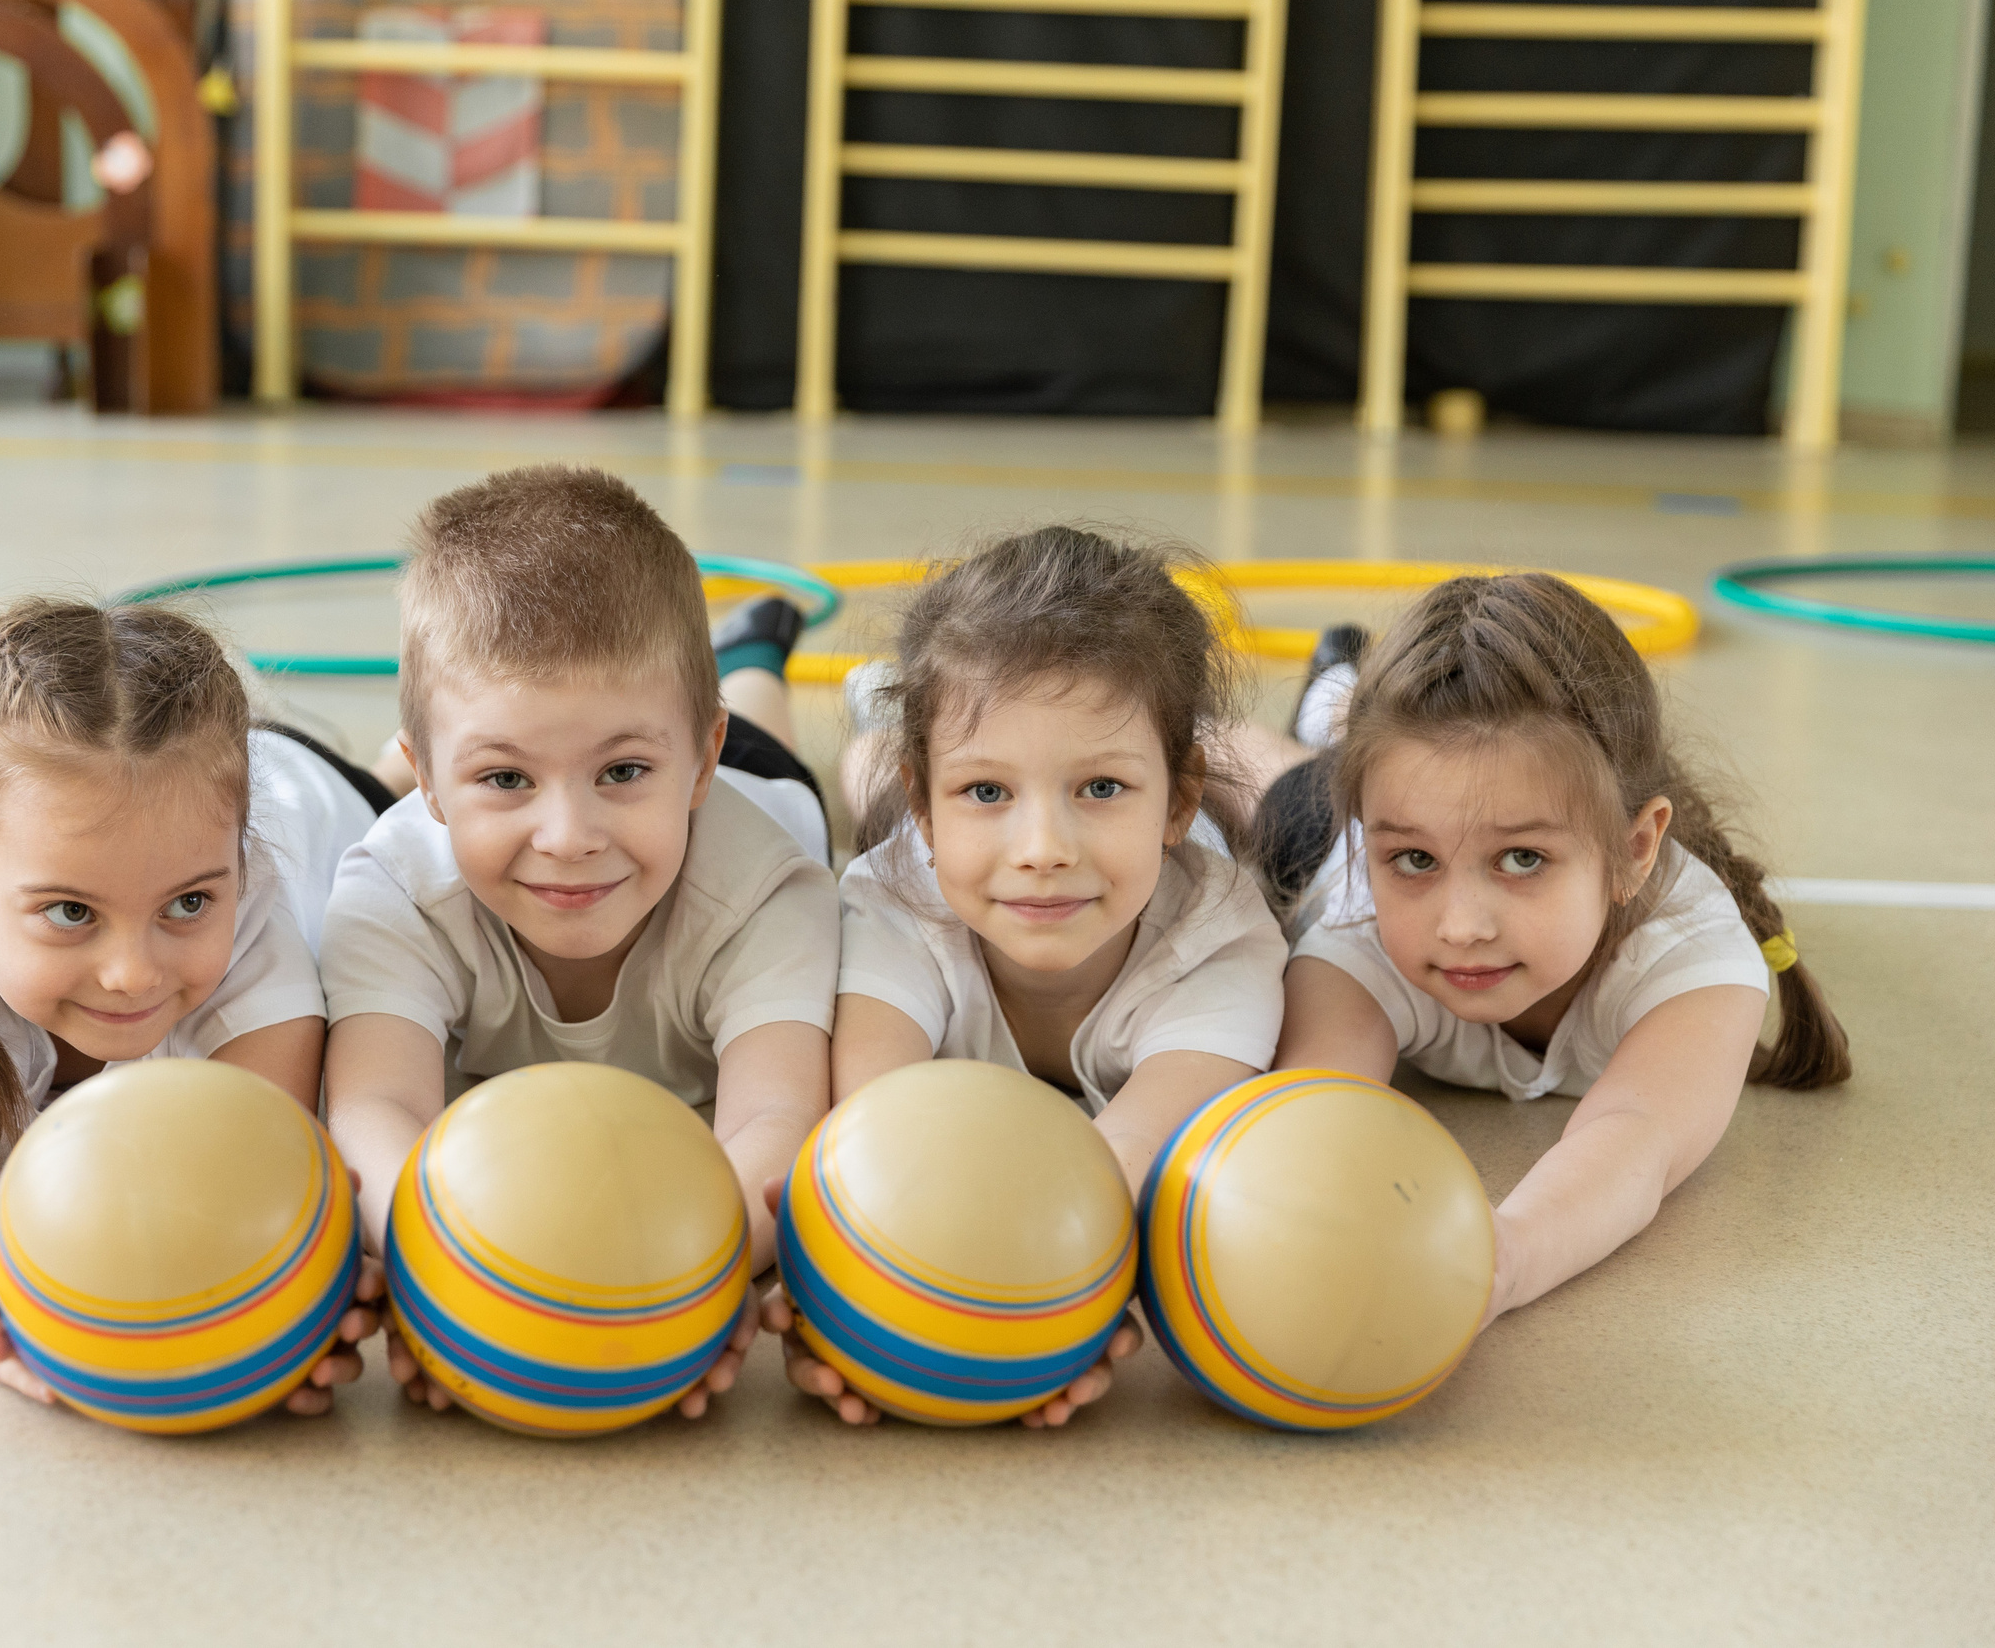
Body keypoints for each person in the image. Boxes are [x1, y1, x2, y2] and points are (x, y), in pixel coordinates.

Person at [320, 464, 838, 1419]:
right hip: (619, 786)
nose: (568, 834)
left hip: (758, 790)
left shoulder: (772, 893)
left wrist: (679, 1278)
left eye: (621, 769)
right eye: (505, 779)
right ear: (429, 787)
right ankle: (489, 746)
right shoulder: (390, 885)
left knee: (771, 731)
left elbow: (776, 1126)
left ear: (695, 759)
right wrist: (453, 1277)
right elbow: (372, 1108)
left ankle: (756, 649)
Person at [0, 598, 391, 1409]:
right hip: (217, 791)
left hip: (319, 793)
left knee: (383, 794)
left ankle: (393, 768)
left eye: (188, 904)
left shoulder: (263, 927)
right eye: (71, 911)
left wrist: (283, 1310)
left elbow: (246, 1165)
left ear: (234, 869)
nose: (131, 972)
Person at [786, 525, 1289, 1427]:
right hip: (912, 835)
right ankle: (852, 714)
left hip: (1210, 841)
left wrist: (1035, 1314)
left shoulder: (1226, 944)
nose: (1044, 851)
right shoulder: (888, 901)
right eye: (985, 791)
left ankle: (1325, 703)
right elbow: (878, 1140)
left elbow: (1120, 1167)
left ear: (1174, 797)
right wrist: (854, 1304)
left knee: (1293, 799)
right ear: (931, 805)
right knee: (863, 790)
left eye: (1100, 787)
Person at [1264, 572, 1849, 1327]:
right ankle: (1331, 698)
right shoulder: (1354, 920)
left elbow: (1632, 1142)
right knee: (1273, 783)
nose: (1461, 925)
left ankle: (1337, 696)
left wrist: (1496, 1261)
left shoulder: (1695, 961)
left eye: (1523, 859)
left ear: (1637, 849)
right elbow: (1311, 1110)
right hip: (1313, 828)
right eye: (1413, 860)